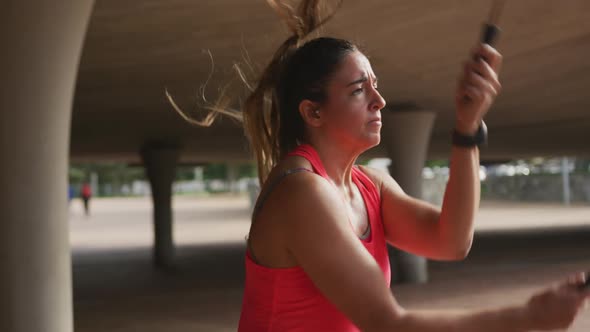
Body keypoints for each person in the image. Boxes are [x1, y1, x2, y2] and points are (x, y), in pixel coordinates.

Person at [174, 1, 589, 330]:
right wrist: (527, 319)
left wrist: (467, 128)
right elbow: (388, 323)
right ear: (313, 113)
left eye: (376, 86)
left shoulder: (368, 184)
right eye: (359, 90)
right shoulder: (303, 193)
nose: (379, 101)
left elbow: (451, 240)